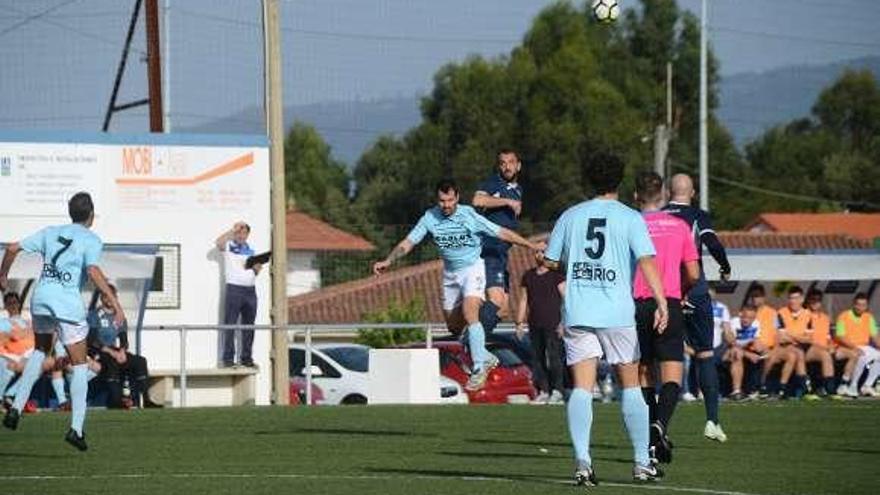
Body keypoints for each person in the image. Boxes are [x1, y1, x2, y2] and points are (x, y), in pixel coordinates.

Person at [543, 153, 667, 485]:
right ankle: (642, 462)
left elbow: (552, 261)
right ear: (619, 181)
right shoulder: (629, 217)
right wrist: (661, 303)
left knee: (582, 389)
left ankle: (583, 462)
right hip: (616, 313)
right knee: (631, 385)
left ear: (588, 180)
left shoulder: (570, 215)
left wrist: (551, 261)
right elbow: (647, 262)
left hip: (579, 311)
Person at [373, 179, 542, 391]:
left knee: (470, 311)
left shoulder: (469, 215)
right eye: (442, 201)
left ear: (457, 198)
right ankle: (484, 355)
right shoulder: (430, 217)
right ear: (437, 200)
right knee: (453, 326)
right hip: (450, 274)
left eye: (450, 200)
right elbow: (409, 242)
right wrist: (389, 260)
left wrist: (530, 245)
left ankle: (478, 368)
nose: (446, 205)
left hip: (473, 269)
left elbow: (501, 232)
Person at [0, 191, 125, 451]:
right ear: (91, 215)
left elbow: (12, 248)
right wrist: (116, 304)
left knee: (39, 351)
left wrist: (2, 276)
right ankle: (76, 429)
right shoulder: (91, 239)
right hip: (67, 304)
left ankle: (15, 409)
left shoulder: (50, 231)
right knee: (79, 365)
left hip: (41, 298)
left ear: (71, 212)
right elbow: (92, 270)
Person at [632, 171, 700, 466]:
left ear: (636, 196)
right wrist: (681, 291)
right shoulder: (679, 225)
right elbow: (695, 274)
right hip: (669, 302)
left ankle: (651, 434)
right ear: (662, 197)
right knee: (673, 374)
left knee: (645, 372)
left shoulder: (629, 223)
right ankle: (661, 425)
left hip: (637, 305)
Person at [662, 173, 731, 443]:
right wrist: (725, 266)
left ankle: (657, 425)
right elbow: (712, 243)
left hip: (665, 290)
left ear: (669, 192)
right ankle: (712, 421)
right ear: (692, 193)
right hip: (695, 288)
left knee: (661, 357)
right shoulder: (697, 215)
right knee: (704, 354)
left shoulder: (655, 216)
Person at [472, 148, 523, 334]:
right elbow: (477, 200)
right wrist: (507, 202)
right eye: (502, 163)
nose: (507, 166)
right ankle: (470, 340)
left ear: (518, 165)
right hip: (489, 249)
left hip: (502, 253)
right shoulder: (495, 182)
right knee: (496, 300)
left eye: (510, 162)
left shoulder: (518, 190)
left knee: (503, 310)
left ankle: (474, 332)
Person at [87, 284, 162, 409]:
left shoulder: (119, 315)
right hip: (99, 351)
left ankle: (146, 400)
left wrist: (122, 351)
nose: (110, 300)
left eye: (112, 296)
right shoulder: (95, 315)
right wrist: (111, 352)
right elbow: (92, 340)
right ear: (102, 298)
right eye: (106, 297)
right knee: (112, 363)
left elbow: (123, 338)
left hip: (114, 351)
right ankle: (116, 401)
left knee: (140, 361)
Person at [515, 251, 566, 405]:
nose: (540, 255)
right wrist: (519, 323)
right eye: (537, 252)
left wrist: (564, 322)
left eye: (544, 252)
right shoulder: (528, 276)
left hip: (554, 323)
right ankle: (543, 391)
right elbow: (523, 299)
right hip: (535, 323)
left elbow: (567, 298)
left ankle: (558, 391)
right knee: (537, 358)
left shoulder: (556, 276)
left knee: (554, 357)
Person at [215, 221, 263, 368]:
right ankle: (228, 359)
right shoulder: (229, 246)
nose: (241, 236)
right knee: (230, 323)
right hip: (234, 289)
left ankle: (246, 358)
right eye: (239, 233)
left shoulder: (251, 250)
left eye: (244, 233)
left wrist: (256, 269)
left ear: (248, 235)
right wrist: (232, 230)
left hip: (250, 290)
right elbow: (218, 242)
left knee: (249, 326)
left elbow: (253, 270)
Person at [748, 286, 798, 400]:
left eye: (759, 296)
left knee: (791, 356)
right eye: (754, 296)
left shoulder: (773, 313)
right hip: (754, 347)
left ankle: (782, 388)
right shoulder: (748, 312)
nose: (756, 299)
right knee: (770, 356)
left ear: (764, 297)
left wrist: (779, 345)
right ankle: (762, 385)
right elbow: (744, 332)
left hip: (772, 347)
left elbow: (779, 333)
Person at [834, 293, 880, 398]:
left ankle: (867, 386)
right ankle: (853, 385)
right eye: (858, 305)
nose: (860, 307)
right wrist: (854, 347)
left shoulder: (869, 317)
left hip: (865, 346)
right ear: (853, 305)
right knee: (860, 355)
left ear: (867, 306)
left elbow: (875, 336)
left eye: (863, 305)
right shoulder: (844, 316)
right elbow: (840, 336)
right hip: (847, 347)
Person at [775, 286, 812, 398]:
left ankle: (829, 389)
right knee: (796, 353)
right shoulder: (781, 313)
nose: (793, 301)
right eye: (791, 298)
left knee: (824, 355)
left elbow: (808, 339)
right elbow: (781, 338)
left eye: (796, 298)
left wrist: (790, 335)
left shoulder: (808, 314)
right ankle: (804, 388)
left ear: (802, 299)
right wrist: (798, 338)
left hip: (803, 346)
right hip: (786, 347)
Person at [802, 289, 838, 398]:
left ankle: (846, 385)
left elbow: (828, 336)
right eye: (813, 300)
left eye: (818, 300)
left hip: (823, 348)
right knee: (825, 355)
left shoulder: (825, 318)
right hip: (809, 349)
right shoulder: (804, 314)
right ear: (808, 300)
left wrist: (831, 345)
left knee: (854, 354)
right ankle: (829, 389)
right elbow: (805, 337)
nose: (815, 302)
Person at [725, 304, 764, 400]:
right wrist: (749, 354)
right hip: (727, 351)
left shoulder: (756, 324)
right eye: (745, 317)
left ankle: (758, 389)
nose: (747, 320)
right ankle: (736, 391)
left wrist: (762, 350)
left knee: (764, 354)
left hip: (746, 350)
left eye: (751, 318)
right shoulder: (734, 323)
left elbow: (756, 342)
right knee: (737, 353)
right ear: (740, 314)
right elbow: (732, 343)